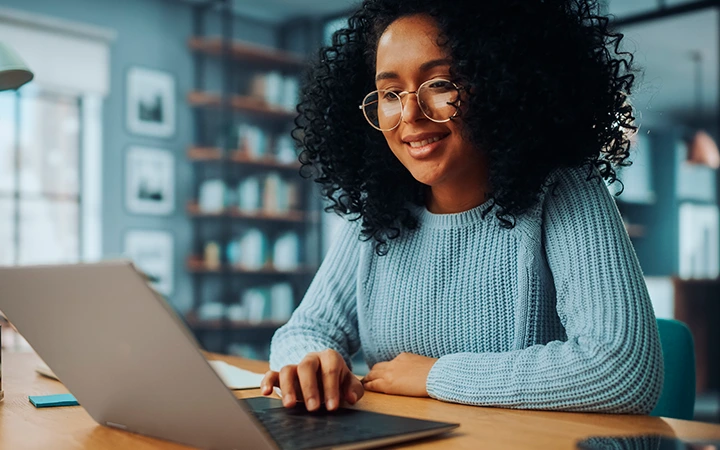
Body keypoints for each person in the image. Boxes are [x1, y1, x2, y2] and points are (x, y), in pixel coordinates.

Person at [260, 0, 663, 415]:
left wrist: (435, 376)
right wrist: (308, 364)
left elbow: (622, 371)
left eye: (440, 84)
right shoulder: (381, 210)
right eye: (390, 93)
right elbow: (307, 330)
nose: (410, 114)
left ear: (503, 83)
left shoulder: (564, 189)